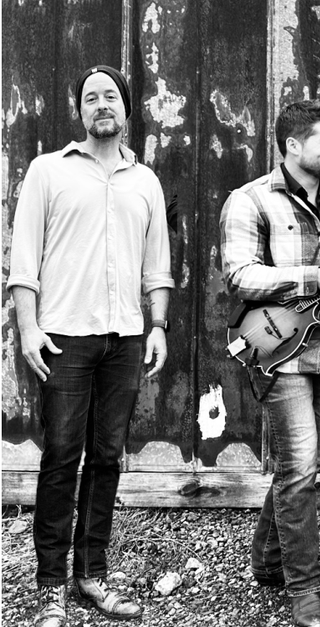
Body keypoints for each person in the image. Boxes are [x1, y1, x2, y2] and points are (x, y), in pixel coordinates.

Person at [7, 64, 174, 626]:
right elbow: (24, 260)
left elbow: (157, 265)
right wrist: (29, 328)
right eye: (91, 97)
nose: (102, 104)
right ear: (79, 111)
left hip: (125, 337)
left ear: (126, 108)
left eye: (111, 96)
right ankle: (50, 585)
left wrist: (158, 325)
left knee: (107, 458)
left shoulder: (145, 181)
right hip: (64, 337)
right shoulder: (48, 171)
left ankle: (91, 575)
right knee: (61, 457)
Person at [220, 99, 320, 627]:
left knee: (305, 465)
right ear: (292, 145)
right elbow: (239, 275)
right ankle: (304, 588)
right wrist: (311, 278)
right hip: (278, 352)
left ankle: (266, 558)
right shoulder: (249, 200)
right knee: (301, 468)